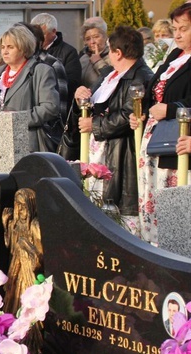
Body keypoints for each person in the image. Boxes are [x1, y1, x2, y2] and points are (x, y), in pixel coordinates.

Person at [66, 27, 153, 231]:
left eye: (110, 50)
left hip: (120, 153)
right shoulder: (110, 75)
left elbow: (128, 114)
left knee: (120, 217)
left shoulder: (140, 77)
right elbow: (94, 105)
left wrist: (93, 125)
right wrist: (81, 98)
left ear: (118, 53)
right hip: (99, 149)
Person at [131, 3, 191, 245]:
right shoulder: (175, 55)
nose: (176, 34)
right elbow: (155, 91)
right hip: (155, 137)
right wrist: (141, 112)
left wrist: (172, 109)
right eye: (175, 28)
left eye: (184, 29)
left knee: (173, 207)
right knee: (152, 200)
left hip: (178, 140)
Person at [0, 25, 60, 153]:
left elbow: (50, 108)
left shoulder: (41, 71)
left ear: (23, 48)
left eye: (10, 47)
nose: (4, 51)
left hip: (27, 144)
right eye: (3, 47)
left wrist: (15, 120)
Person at [31, 13, 82, 106]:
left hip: (57, 104)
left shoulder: (69, 52)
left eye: (42, 34)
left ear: (53, 31)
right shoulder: (30, 51)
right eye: (34, 35)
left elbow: (73, 82)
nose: (38, 39)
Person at [79, 17, 112, 88]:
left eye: (96, 37)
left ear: (105, 37)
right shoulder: (83, 58)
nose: (92, 42)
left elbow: (112, 79)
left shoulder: (113, 56)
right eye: (88, 39)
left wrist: (98, 62)